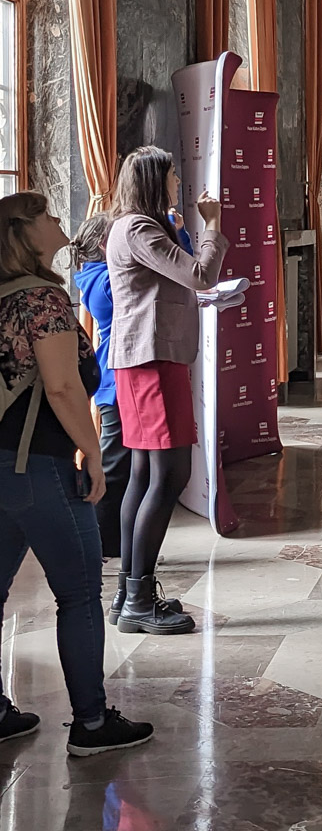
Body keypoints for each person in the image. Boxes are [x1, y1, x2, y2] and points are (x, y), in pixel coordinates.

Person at [0, 191, 153, 756]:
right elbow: (63, 387)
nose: (59, 219)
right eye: (46, 215)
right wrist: (91, 453)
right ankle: (91, 723)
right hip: (36, 464)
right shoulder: (41, 299)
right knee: (81, 592)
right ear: (22, 232)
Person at [107, 146, 228, 634]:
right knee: (170, 474)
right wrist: (212, 224)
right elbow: (200, 274)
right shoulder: (139, 228)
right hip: (151, 362)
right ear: (156, 181)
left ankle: (129, 593)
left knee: (144, 476)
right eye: (174, 174)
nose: (179, 181)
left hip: (145, 359)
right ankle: (138, 600)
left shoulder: (137, 226)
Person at [72, 214, 130, 561]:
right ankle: (102, 541)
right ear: (104, 245)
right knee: (114, 467)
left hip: (117, 381)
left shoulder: (97, 276)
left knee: (122, 465)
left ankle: (113, 540)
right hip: (115, 383)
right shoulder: (103, 280)